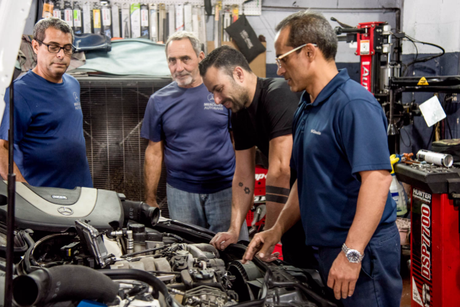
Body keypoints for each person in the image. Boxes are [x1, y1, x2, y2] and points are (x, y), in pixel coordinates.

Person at [242, 11, 402, 306]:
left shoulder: (353, 104)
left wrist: (352, 254)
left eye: (282, 59)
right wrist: (276, 229)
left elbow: (378, 181)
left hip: (362, 253)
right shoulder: (307, 106)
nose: (279, 70)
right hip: (326, 251)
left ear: (308, 53)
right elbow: (307, 182)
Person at [199, 46, 314, 268]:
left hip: (312, 209)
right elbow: (242, 173)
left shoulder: (277, 94)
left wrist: (270, 235)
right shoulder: (239, 112)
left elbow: (281, 170)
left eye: (219, 89)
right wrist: (234, 229)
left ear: (239, 74)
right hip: (290, 212)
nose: (216, 100)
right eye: (212, 93)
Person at [141, 32, 242, 236]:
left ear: (200, 57)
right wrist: (150, 197)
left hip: (224, 189)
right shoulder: (158, 101)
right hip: (181, 193)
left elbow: (237, 142)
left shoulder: (221, 92)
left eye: (185, 59)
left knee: (232, 253)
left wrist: (240, 184)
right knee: (187, 255)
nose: (179, 68)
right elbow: (154, 151)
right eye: (172, 61)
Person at [0, 17, 92, 189]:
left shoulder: (73, 84)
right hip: (44, 198)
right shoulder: (20, 92)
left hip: (81, 192)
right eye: (53, 47)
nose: (61, 55)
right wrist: (26, 193)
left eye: (67, 48)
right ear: (35, 46)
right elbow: (1, 149)